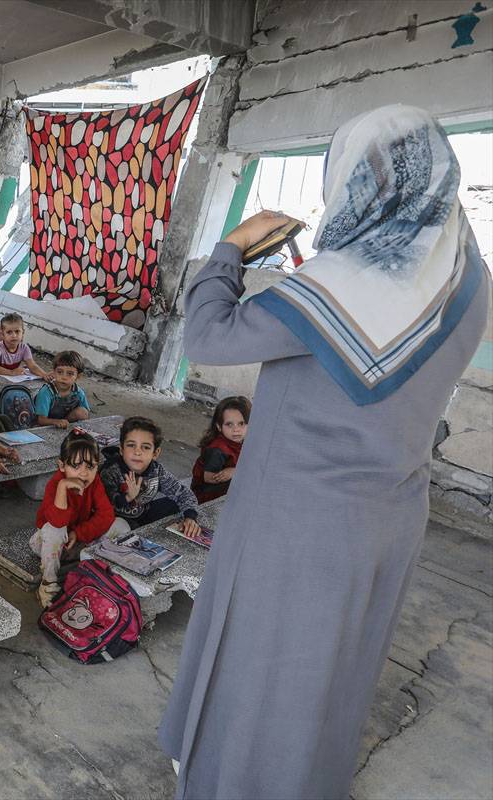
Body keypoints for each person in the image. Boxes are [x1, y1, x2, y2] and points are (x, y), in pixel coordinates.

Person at [160, 106, 489, 800]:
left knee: (259, 664)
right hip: (390, 511)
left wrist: (233, 249)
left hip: (296, 517)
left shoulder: (345, 280)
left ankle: (235, 781)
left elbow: (210, 339)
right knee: (333, 666)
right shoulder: (466, 274)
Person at [31, 430, 129, 607]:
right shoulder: (55, 484)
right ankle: (48, 584)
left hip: (79, 542)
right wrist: (63, 487)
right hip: (48, 545)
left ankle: (94, 572)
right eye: (76, 466)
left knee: (121, 526)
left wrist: (79, 533)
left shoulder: (95, 482)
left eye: (90, 466)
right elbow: (57, 522)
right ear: (62, 466)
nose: (84, 474)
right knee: (54, 530)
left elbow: (106, 515)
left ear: (97, 466)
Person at [99, 417, 200, 537]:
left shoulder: (157, 470)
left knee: (175, 505)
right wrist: (128, 497)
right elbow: (102, 505)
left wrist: (190, 518)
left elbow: (183, 494)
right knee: (120, 528)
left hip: (142, 513)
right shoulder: (110, 471)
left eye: (146, 447)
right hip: (115, 518)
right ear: (121, 449)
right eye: (131, 445)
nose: (137, 452)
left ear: (155, 453)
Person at [190, 395, 250, 503]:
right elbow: (208, 478)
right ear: (219, 426)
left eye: (241, 423)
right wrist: (237, 472)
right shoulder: (218, 449)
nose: (236, 429)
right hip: (205, 495)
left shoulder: (244, 442)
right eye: (229, 424)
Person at [32, 351, 92, 429]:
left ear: (78, 376)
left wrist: (64, 422)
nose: (64, 377)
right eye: (60, 372)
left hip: (65, 422)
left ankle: (64, 425)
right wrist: (56, 422)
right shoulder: (46, 392)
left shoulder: (78, 392)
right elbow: (41, 420)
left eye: (70, 373)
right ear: (53, 372)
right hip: (45, 424)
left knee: (82, 412)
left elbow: (86, 414)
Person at [0, 313, 48, 378]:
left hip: (11, 379)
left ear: (23, 333)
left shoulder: (24, 348)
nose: (14, 336)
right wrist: (11, 372)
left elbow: (32, 366)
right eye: (9, 332)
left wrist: (44, 375)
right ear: (2, 334)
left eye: (17, 331)